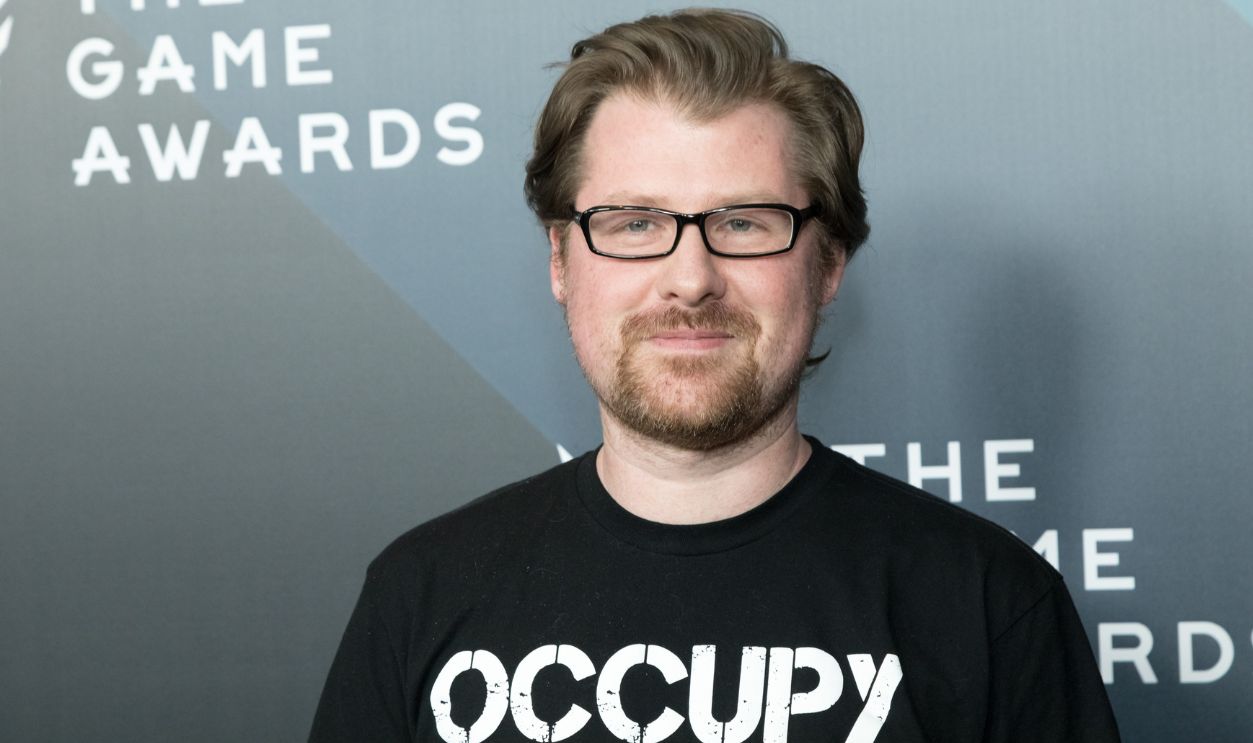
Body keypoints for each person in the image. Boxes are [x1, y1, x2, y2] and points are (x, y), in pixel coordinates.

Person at [310, 9, 1120, 742]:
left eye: (742, 221)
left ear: (828, 261)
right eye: (633, 223)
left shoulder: (985, 603)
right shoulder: (420, 592)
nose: (690, 277)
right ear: (560, 259)